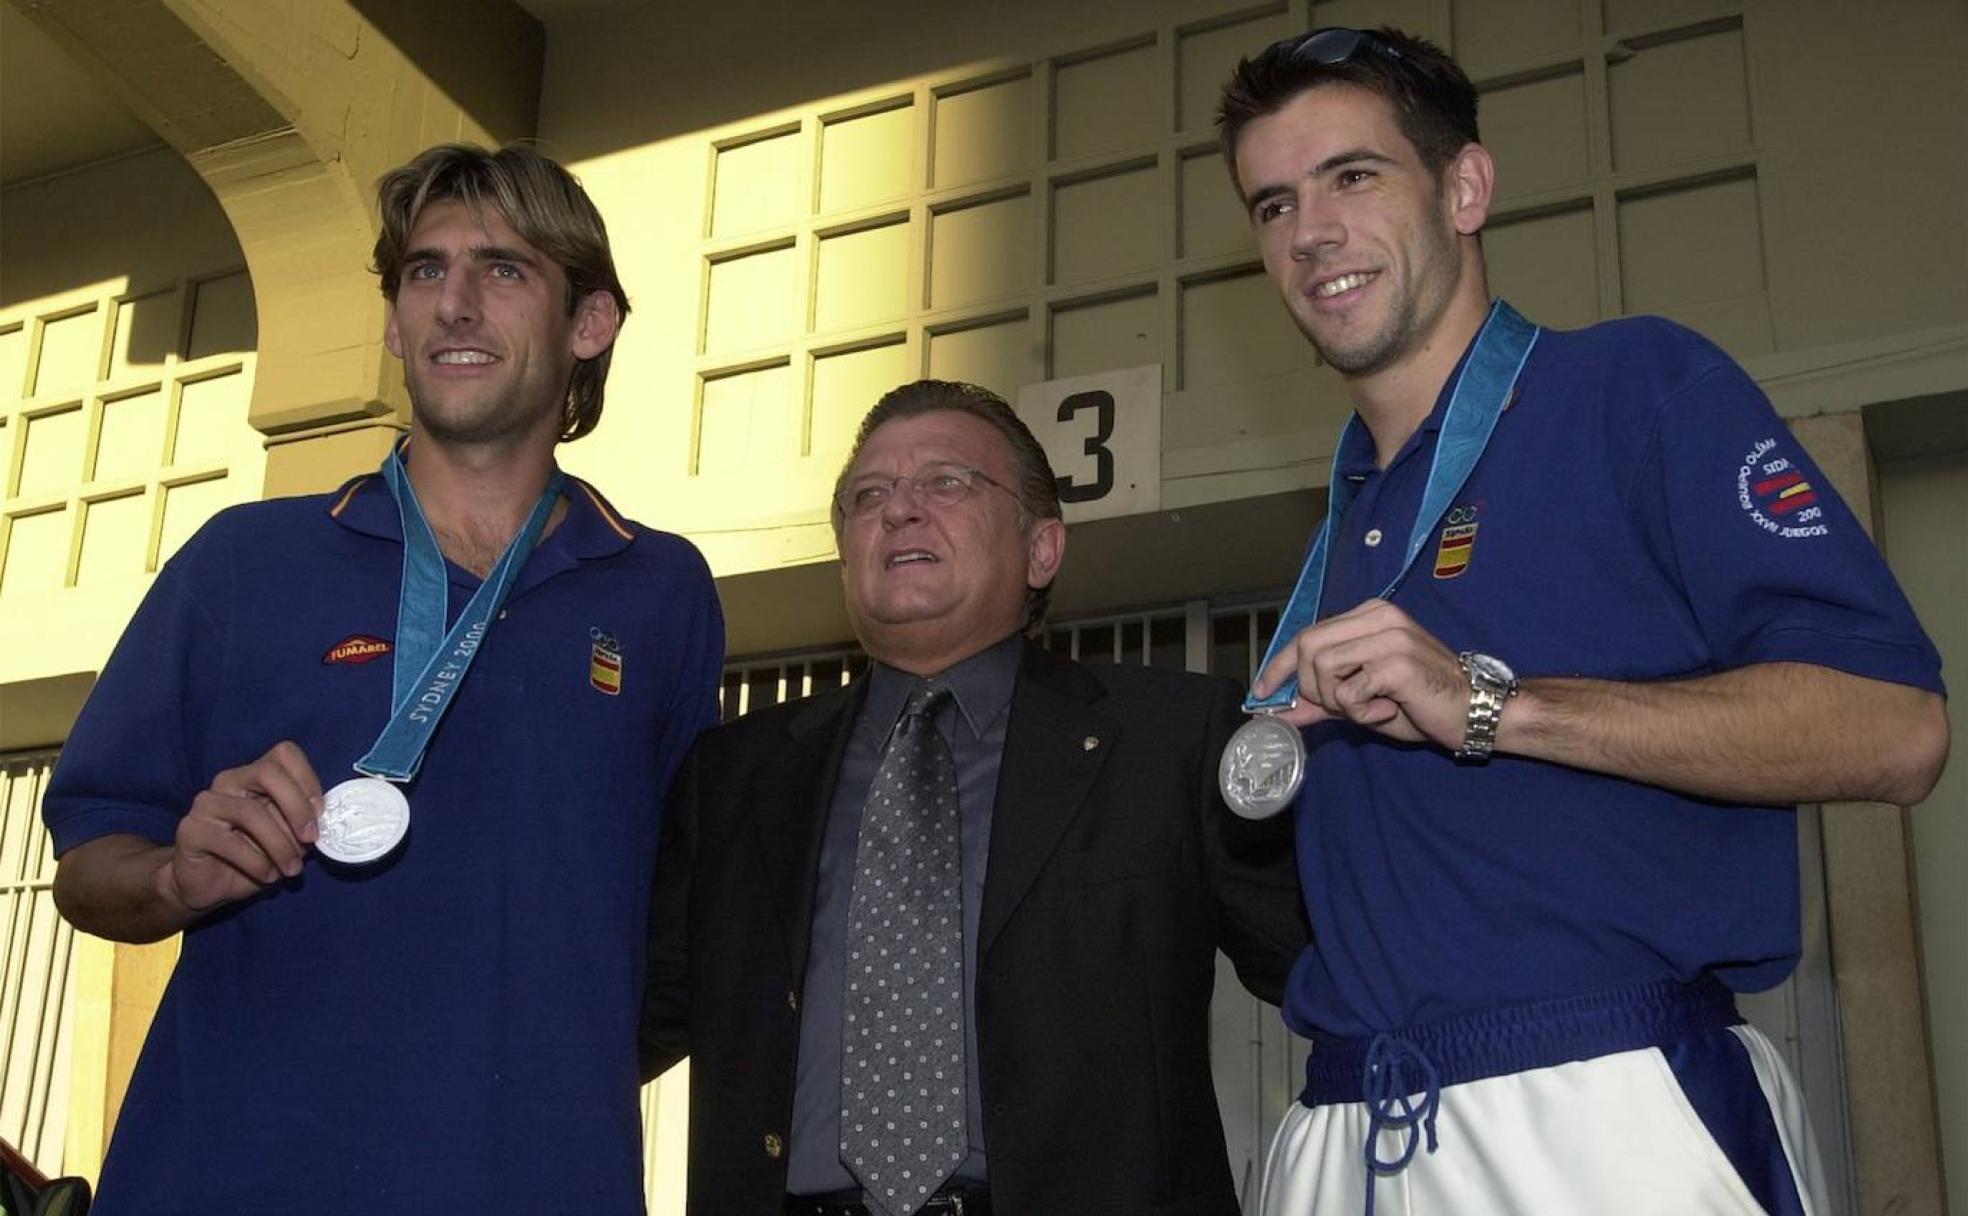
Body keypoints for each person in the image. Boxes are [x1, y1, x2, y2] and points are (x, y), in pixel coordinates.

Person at [1214, 26, 1951, 1216]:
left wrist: (1494, 704)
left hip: (1600, 1114)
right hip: (1344, 1127)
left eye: (1355, 177)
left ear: (1465, 186)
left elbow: (1895, 726)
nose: (1311, 233)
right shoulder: (1352, 513)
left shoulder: (1630, 387)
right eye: (1273, 204)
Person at [42, 143, 723, 1214]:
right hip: (231, 1180)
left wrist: (528, 1065)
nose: (454, 303)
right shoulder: (241, 563)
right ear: (397, 325)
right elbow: (88, 865)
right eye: (424, 271)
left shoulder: (661, 591)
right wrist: (175, 874)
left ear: (589, 324)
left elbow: (691, 923)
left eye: (503, 270)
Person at [639, 379, 1308, 1216]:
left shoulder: (1171, 738)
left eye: (946, 483)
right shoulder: (735, 776)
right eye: (868, 495)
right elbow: (614, 1021)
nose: (900, 510)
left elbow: (1331, 963)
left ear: (1042, 550)